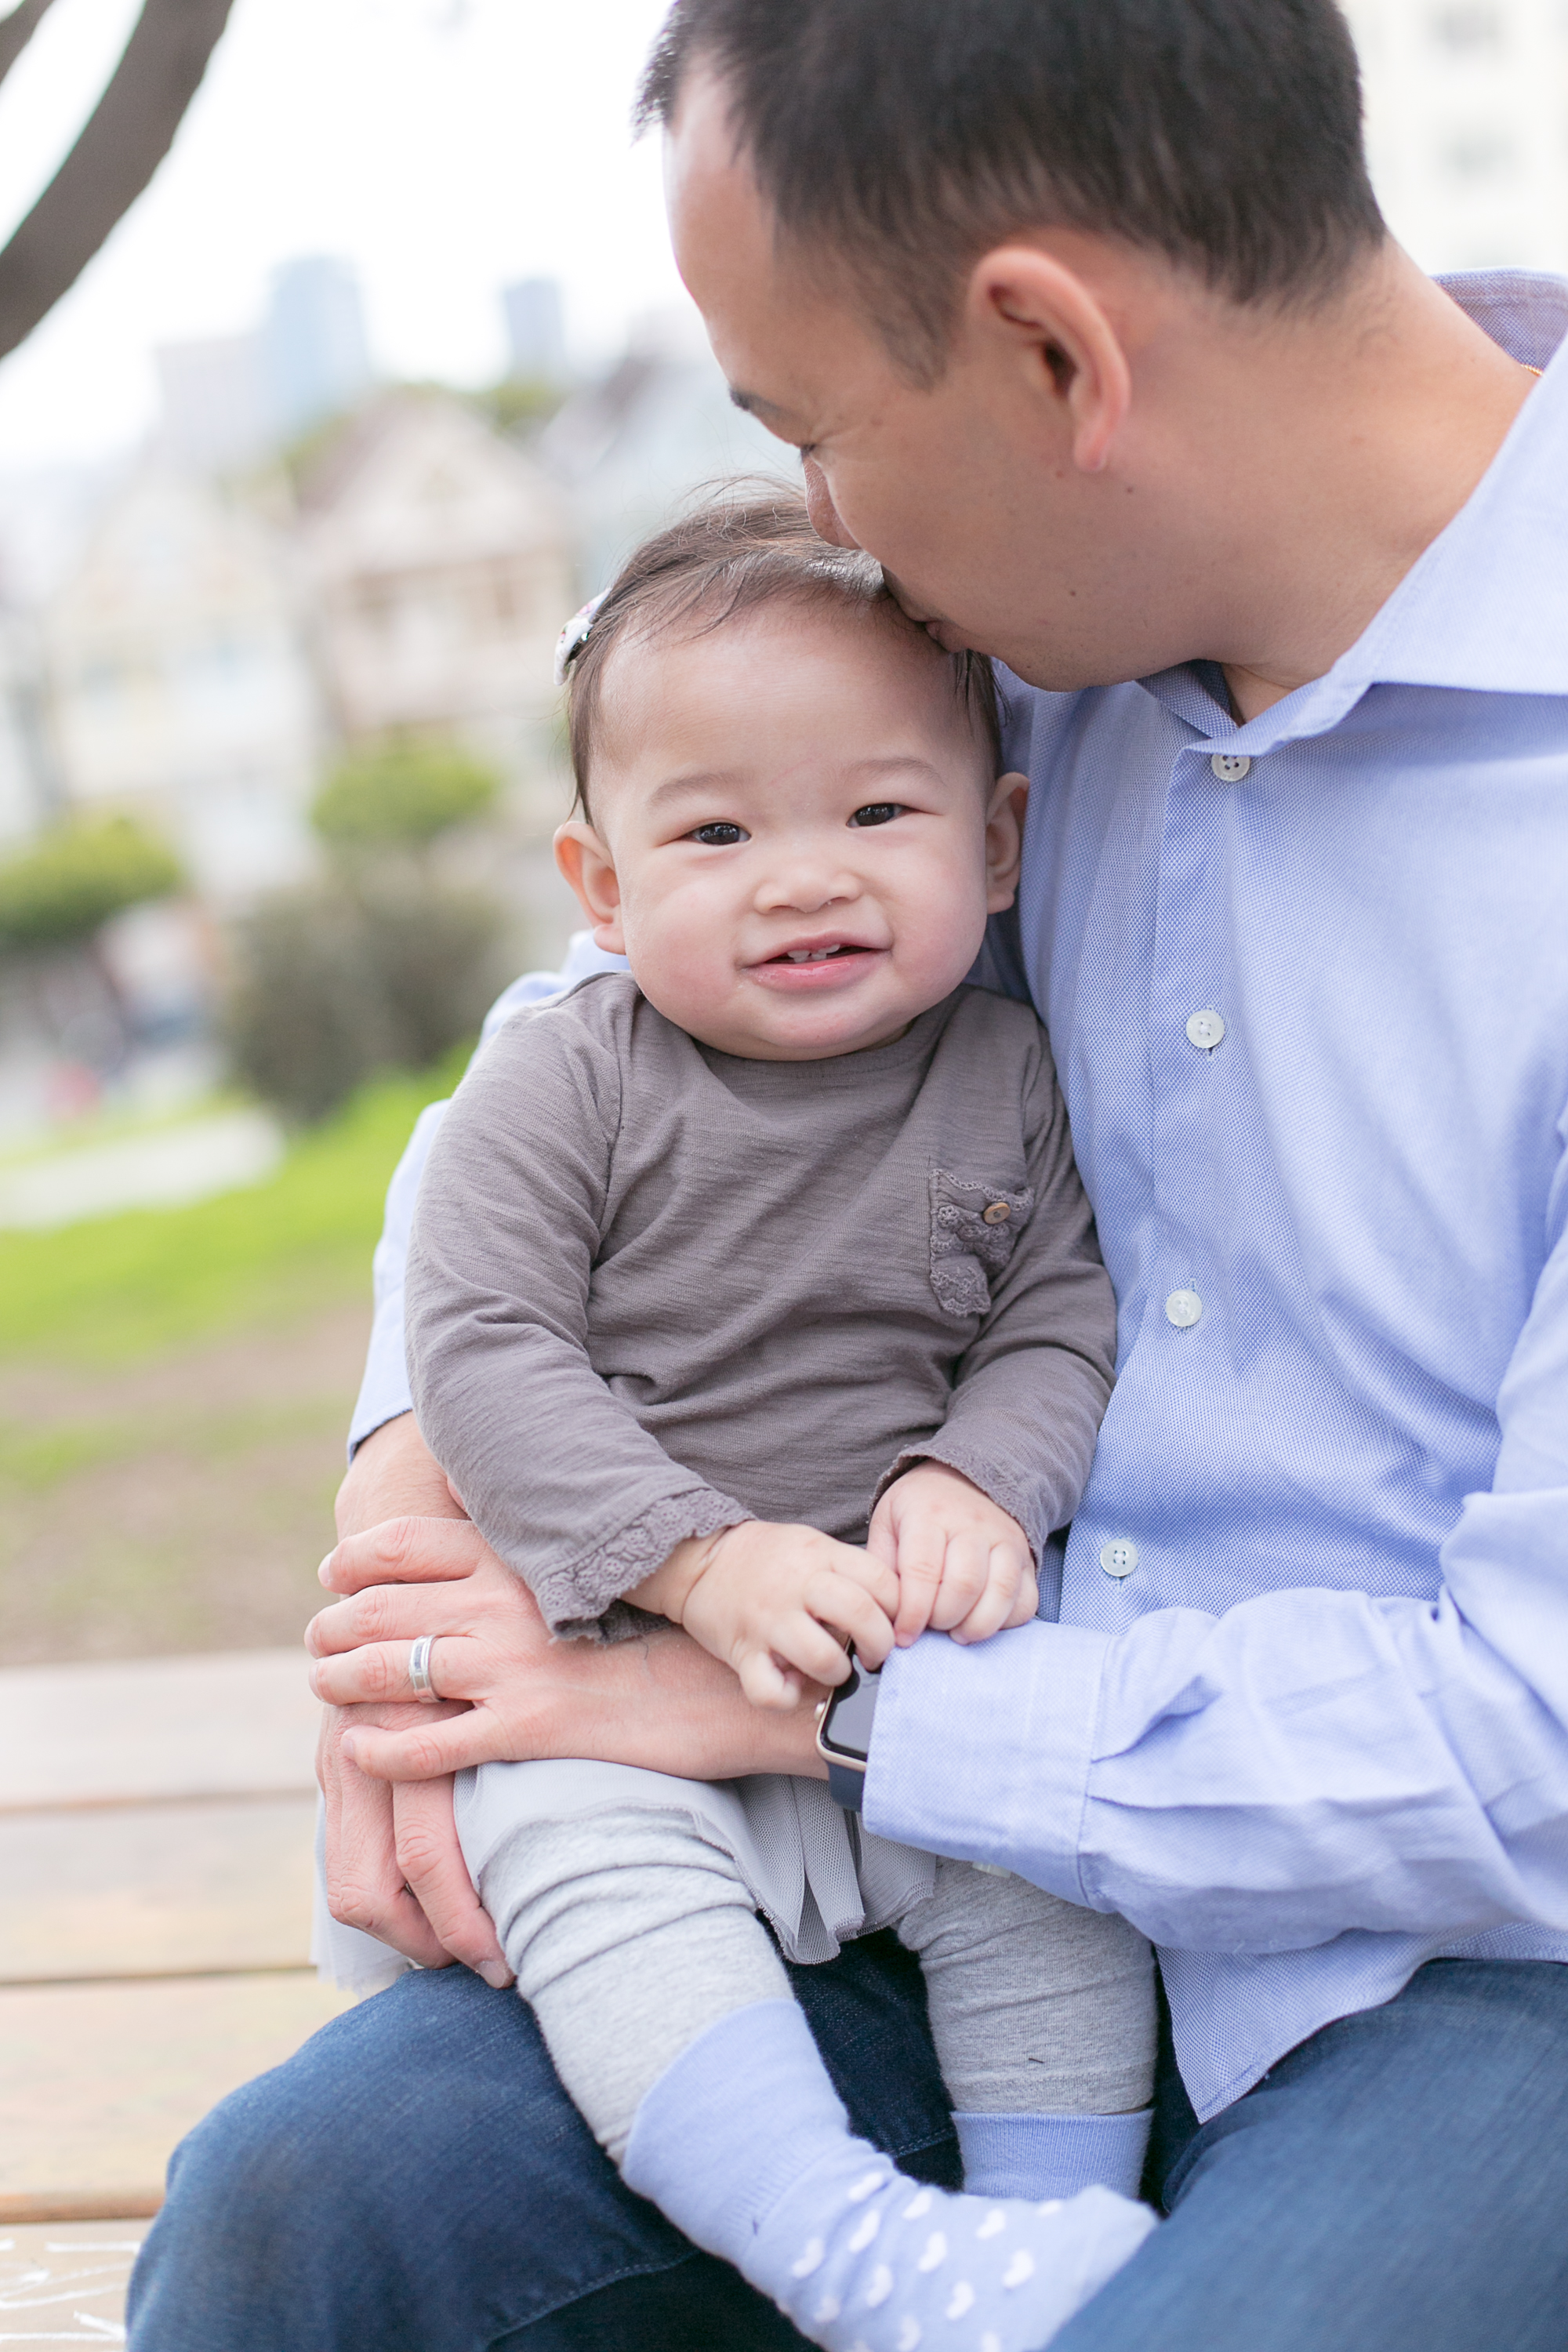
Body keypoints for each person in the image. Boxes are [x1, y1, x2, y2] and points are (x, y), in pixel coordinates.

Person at [127, 4, 1568, 2347]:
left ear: (1048, 356)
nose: (816, 515)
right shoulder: (1028, 641)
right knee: (314, 2216)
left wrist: (833, 1707)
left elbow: (1542, 1750)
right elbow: (580, 1030)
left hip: (1472, 1956)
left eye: (811, 427)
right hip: (918, 1878)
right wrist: (432, 1515)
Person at [401, 490, 1158, 2352]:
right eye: (717, 830)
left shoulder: (1007, 1069)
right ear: (603, 886)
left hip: (916, 1678)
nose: (800, 876)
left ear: (994, 844)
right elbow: (484, 1347)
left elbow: (1060, 1310)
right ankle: (844, 2249)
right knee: (595, 1895)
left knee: (1057, 1884)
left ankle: (1047, 2240)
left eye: (875, 814)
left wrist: (985, 1473)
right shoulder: (562, 1088)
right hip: (628, 1679)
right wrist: (696, 1554)